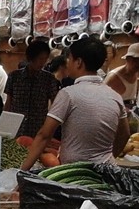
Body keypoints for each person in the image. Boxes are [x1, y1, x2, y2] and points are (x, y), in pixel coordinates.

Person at [21, 36, 130, 171]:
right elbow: (125, 134)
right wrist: (108, 157)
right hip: (107, 173)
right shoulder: (115, 97)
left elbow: (44, 135)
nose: (67, 62)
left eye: (70, 58)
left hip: (74, 175)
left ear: (78, 62)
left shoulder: (68, 94)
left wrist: (22, 172)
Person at [4, 40, 61, 138]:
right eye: (40, 59)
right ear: (30, 58)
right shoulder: (14, 77)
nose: (43, 62)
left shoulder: (49, 79)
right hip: (16, 128)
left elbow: (55, 104)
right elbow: (8, 103)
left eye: (45, 59)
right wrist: (5, 124)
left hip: (38, 129)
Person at [104, 42, 139, 125]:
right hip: (117, 119)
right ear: (128, 59)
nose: (137, 64)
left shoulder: (135, 73)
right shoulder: (114, 78)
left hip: (130, 115)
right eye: (136, 61)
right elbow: (104, 104)